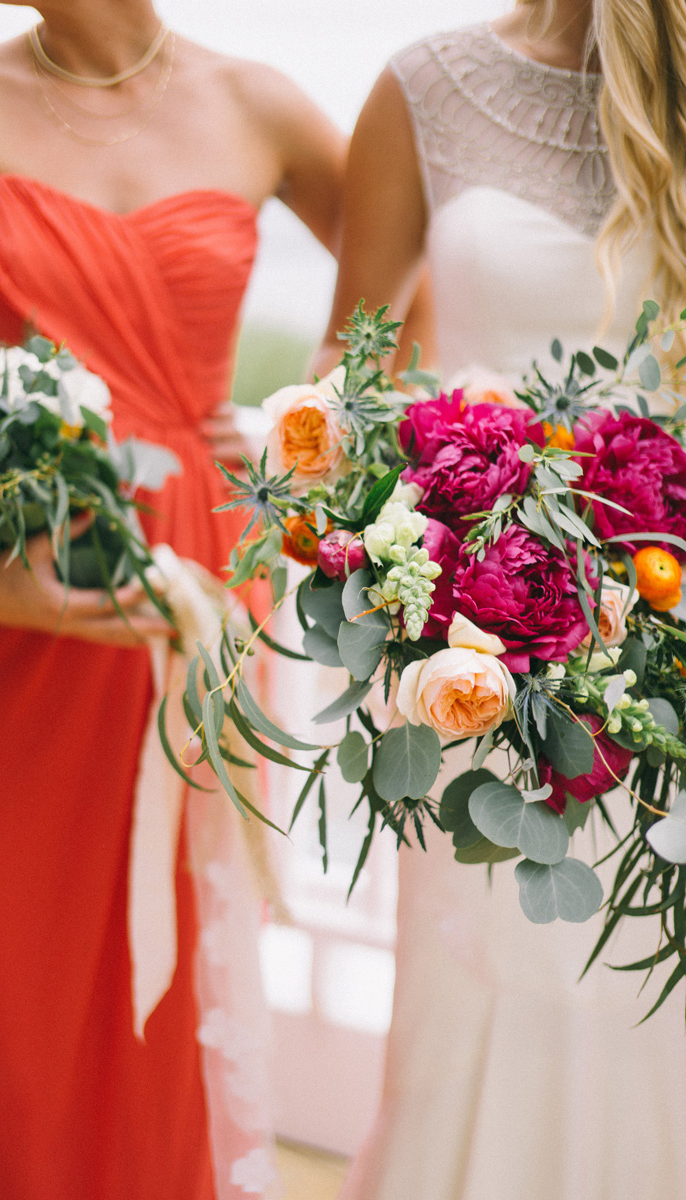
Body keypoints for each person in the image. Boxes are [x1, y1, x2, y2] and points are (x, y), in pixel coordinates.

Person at [0, 3, 344, 1197]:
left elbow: (413, 272)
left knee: (168, 984)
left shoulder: (262, 105)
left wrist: (312, 431)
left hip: (192, 584)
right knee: (0, 986)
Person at [314, 2, 686, 1198]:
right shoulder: (424, 83)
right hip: (472, 661)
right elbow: (350, 376)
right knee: (482, 1001)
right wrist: (401, 559)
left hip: (663, 661)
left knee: (646, 1008)